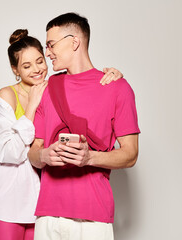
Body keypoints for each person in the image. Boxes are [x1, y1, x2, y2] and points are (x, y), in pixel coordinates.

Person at [0, 29, 123, 240]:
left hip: (39, 202)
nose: (37, 69)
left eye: (40, 61)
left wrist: (113, 75)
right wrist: (31, 108)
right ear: (15, 70)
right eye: (26, 66)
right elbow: (10, 152)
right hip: (9, 199)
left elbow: (84, 84)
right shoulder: (8, 95)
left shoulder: (52, 89)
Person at [28, 13, 140, 240]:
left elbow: (131, 154)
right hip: (47, 216)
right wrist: (44, 155)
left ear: (74, 42)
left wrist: (89, 158)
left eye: (51, 44)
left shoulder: (117, 87)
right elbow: (33, 152)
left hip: (93, 219)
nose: (47, 52)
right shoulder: (47, 89)